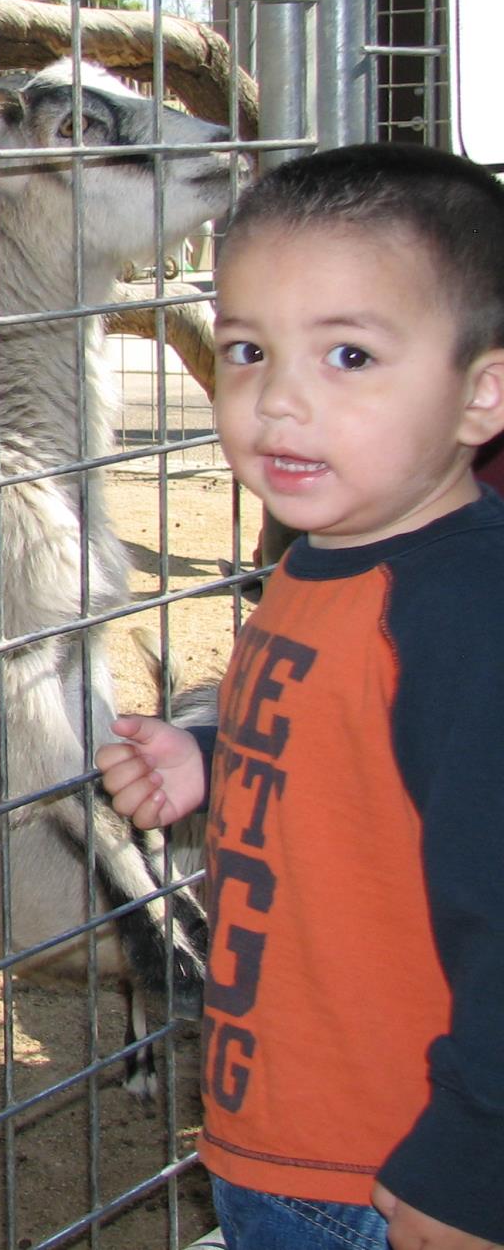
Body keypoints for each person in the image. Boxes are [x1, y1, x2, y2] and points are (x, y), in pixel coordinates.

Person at [95, 142, 504, 1250]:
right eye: (245, 349)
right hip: (275, 1139)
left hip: (388, 1179)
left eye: (349, 356)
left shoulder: (464, 613)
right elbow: (348, 760)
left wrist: (472, 1164)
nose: (276, 399)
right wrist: (210, 760)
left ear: (480, 393)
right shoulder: (323, 564)